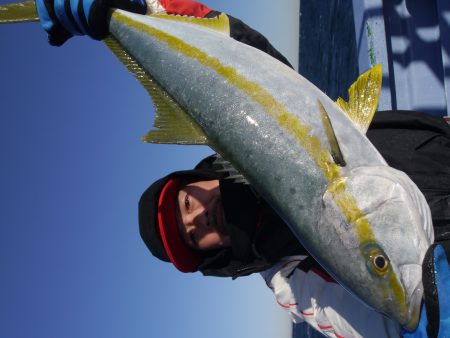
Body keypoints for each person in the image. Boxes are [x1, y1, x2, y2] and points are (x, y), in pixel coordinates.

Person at [36, 0, 450, 336]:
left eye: (185, 205)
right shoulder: (289, 280)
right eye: (193, 237)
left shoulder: (232, 125)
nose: (199, 218)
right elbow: (356, 321)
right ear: (210, 254)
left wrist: (131, 11)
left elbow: (242, 50)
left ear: (199, 180)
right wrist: (417, 323)